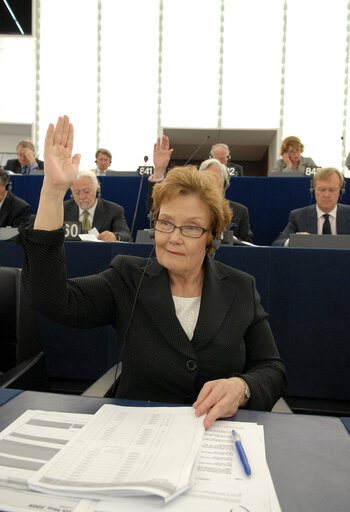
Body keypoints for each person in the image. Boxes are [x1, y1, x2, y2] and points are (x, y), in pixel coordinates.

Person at [17, 115, 286, 429]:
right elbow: (50, 298)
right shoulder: (126, 277)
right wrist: (52, 191)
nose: (173, 236)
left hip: (217, 439)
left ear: (212, 234)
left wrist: (242, 388)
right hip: (138, 437)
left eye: (190, 227)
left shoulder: (240, 287)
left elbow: (271, 368)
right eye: (166, 222)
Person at [272, 167, 350, 246]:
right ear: (313, 191)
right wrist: (296, 240)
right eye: (321, 190)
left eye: (332, 190)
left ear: (341, 191)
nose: (326, 195)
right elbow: (277, 244)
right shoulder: (298, 216)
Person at [64, 170, 131, 241]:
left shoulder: (113, 210)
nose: (82, 197)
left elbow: (126, 235)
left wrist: (115, 236)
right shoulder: (63, 209)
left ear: (97, 190)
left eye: (86, 192)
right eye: (77, 193)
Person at [198, 158, 253, 243]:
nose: (210, 184)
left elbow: (248, 247)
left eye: (214, 179)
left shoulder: (240, 212)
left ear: (223, 186)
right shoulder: (188, 209)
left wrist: (236, 242)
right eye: (206, 180)